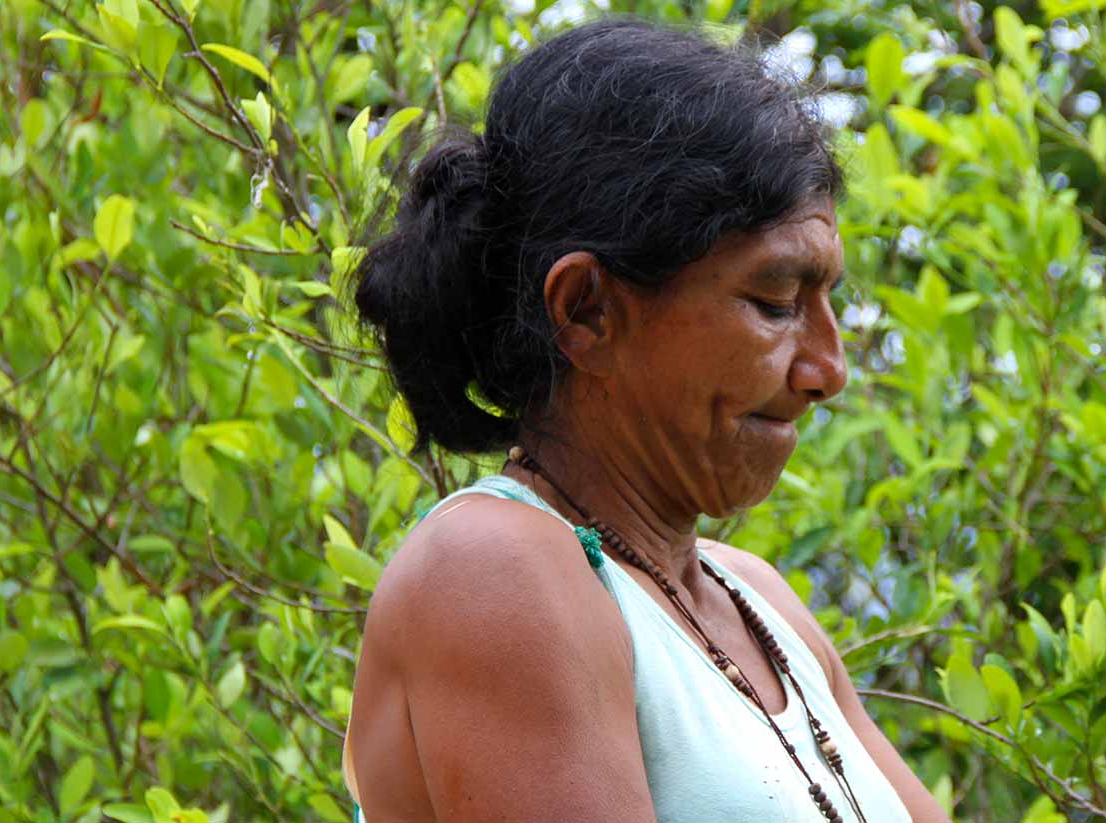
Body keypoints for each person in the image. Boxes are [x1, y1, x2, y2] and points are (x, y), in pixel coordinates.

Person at [342, 18, 951, 823]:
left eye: (827, 300)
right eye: (774, 303)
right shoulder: (491, 568)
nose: (828, 371)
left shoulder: (757, 602)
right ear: (586, 310)